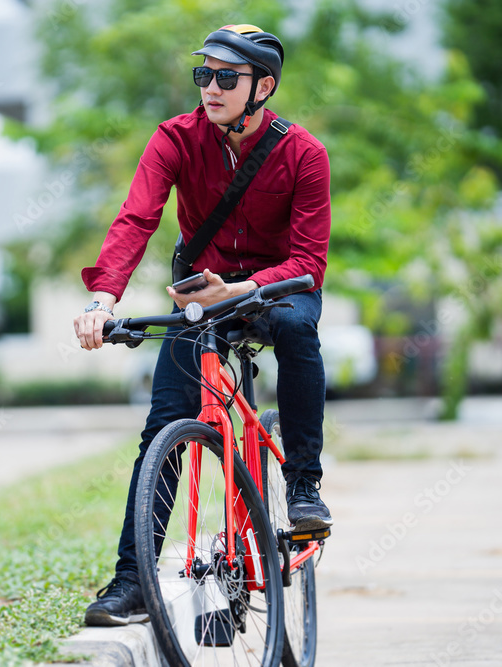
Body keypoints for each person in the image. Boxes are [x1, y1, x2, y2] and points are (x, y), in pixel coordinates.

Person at [72, 24, 333, 627]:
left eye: (226, 77)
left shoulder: (305, 154)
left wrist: (241, 288)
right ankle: (133, 583)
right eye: (203, 74)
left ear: (263, 85)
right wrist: (103, 298)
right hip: (201, 293)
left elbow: (309, 262)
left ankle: (302, 486)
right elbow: (136, 218)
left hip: (277, 287)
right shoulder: (174, 139)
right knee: (163, 425)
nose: (210, 87)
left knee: (296, 331)